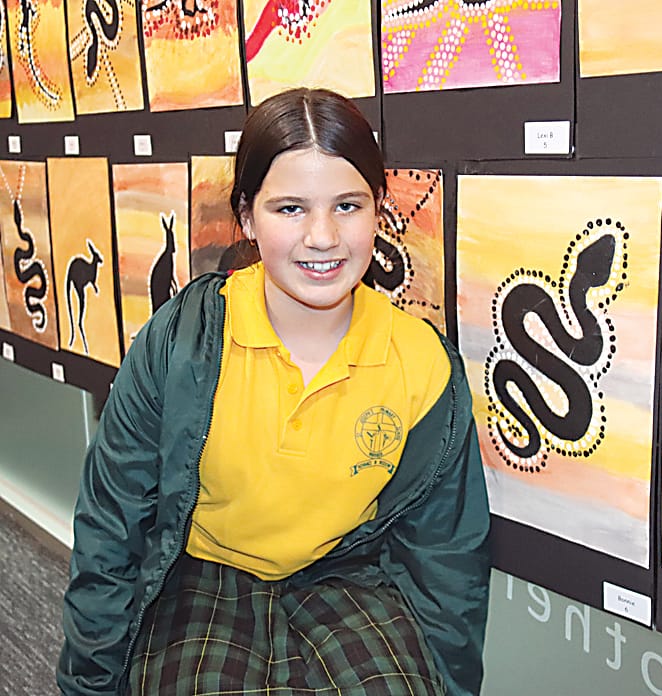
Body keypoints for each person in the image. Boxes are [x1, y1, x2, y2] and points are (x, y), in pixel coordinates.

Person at [57, 87, 490, 696]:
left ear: (379, 209)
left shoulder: (423, 364)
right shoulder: (183, 342)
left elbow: (448, 563)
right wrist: (90, 685)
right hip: (201, 573)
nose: (323, 236)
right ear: (246, 217)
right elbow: (112, 523)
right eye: (290, 208)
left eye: (348, 205)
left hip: (350, 574)